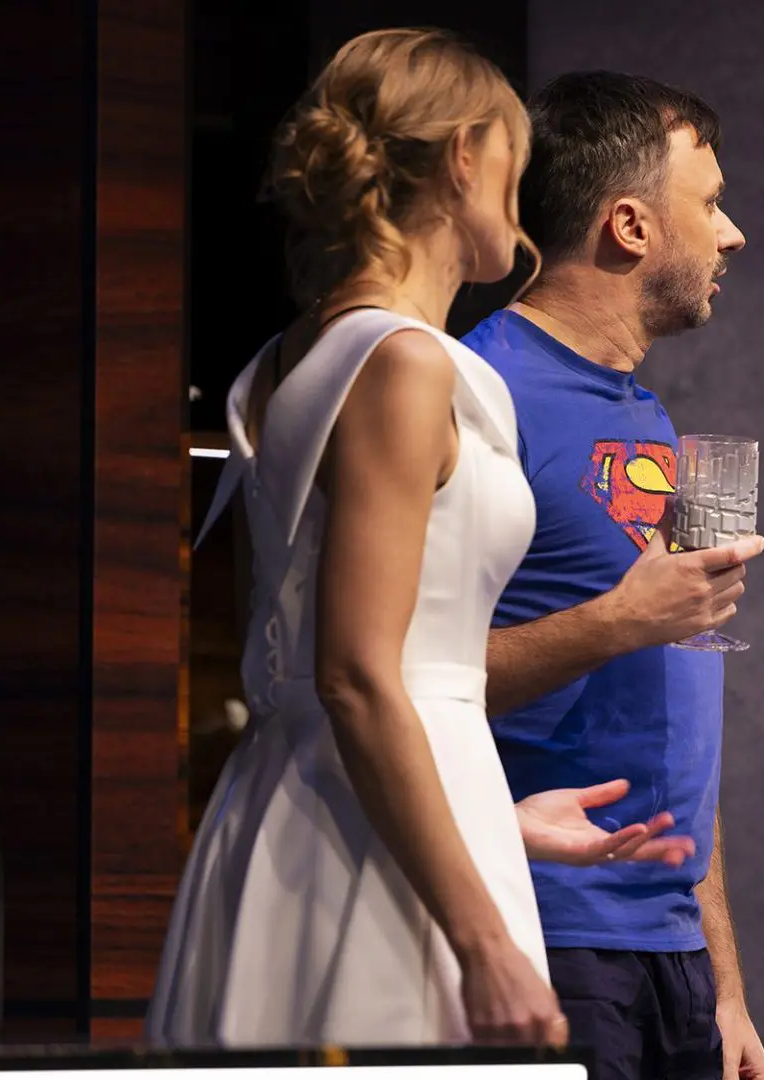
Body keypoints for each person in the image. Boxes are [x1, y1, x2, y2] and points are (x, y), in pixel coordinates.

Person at [147, 30, 686, 1049]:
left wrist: (497, 819)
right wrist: (484, 941)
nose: (521, 197)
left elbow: (294, 659)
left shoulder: (285, 360)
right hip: (365, 854)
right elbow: (355, 675)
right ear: (465, 158)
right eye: (512, 158)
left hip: (312, 814)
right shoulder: (403, 363)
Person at [461, 72, 764, 1080]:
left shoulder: (643, 413)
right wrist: (615, 621)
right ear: (631, 225)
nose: (731, 235)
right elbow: (401, 678)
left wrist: (723, 983)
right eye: (709, 204)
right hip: (544, 932)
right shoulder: (479, 392)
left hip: (668, 951)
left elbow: (675, 705)